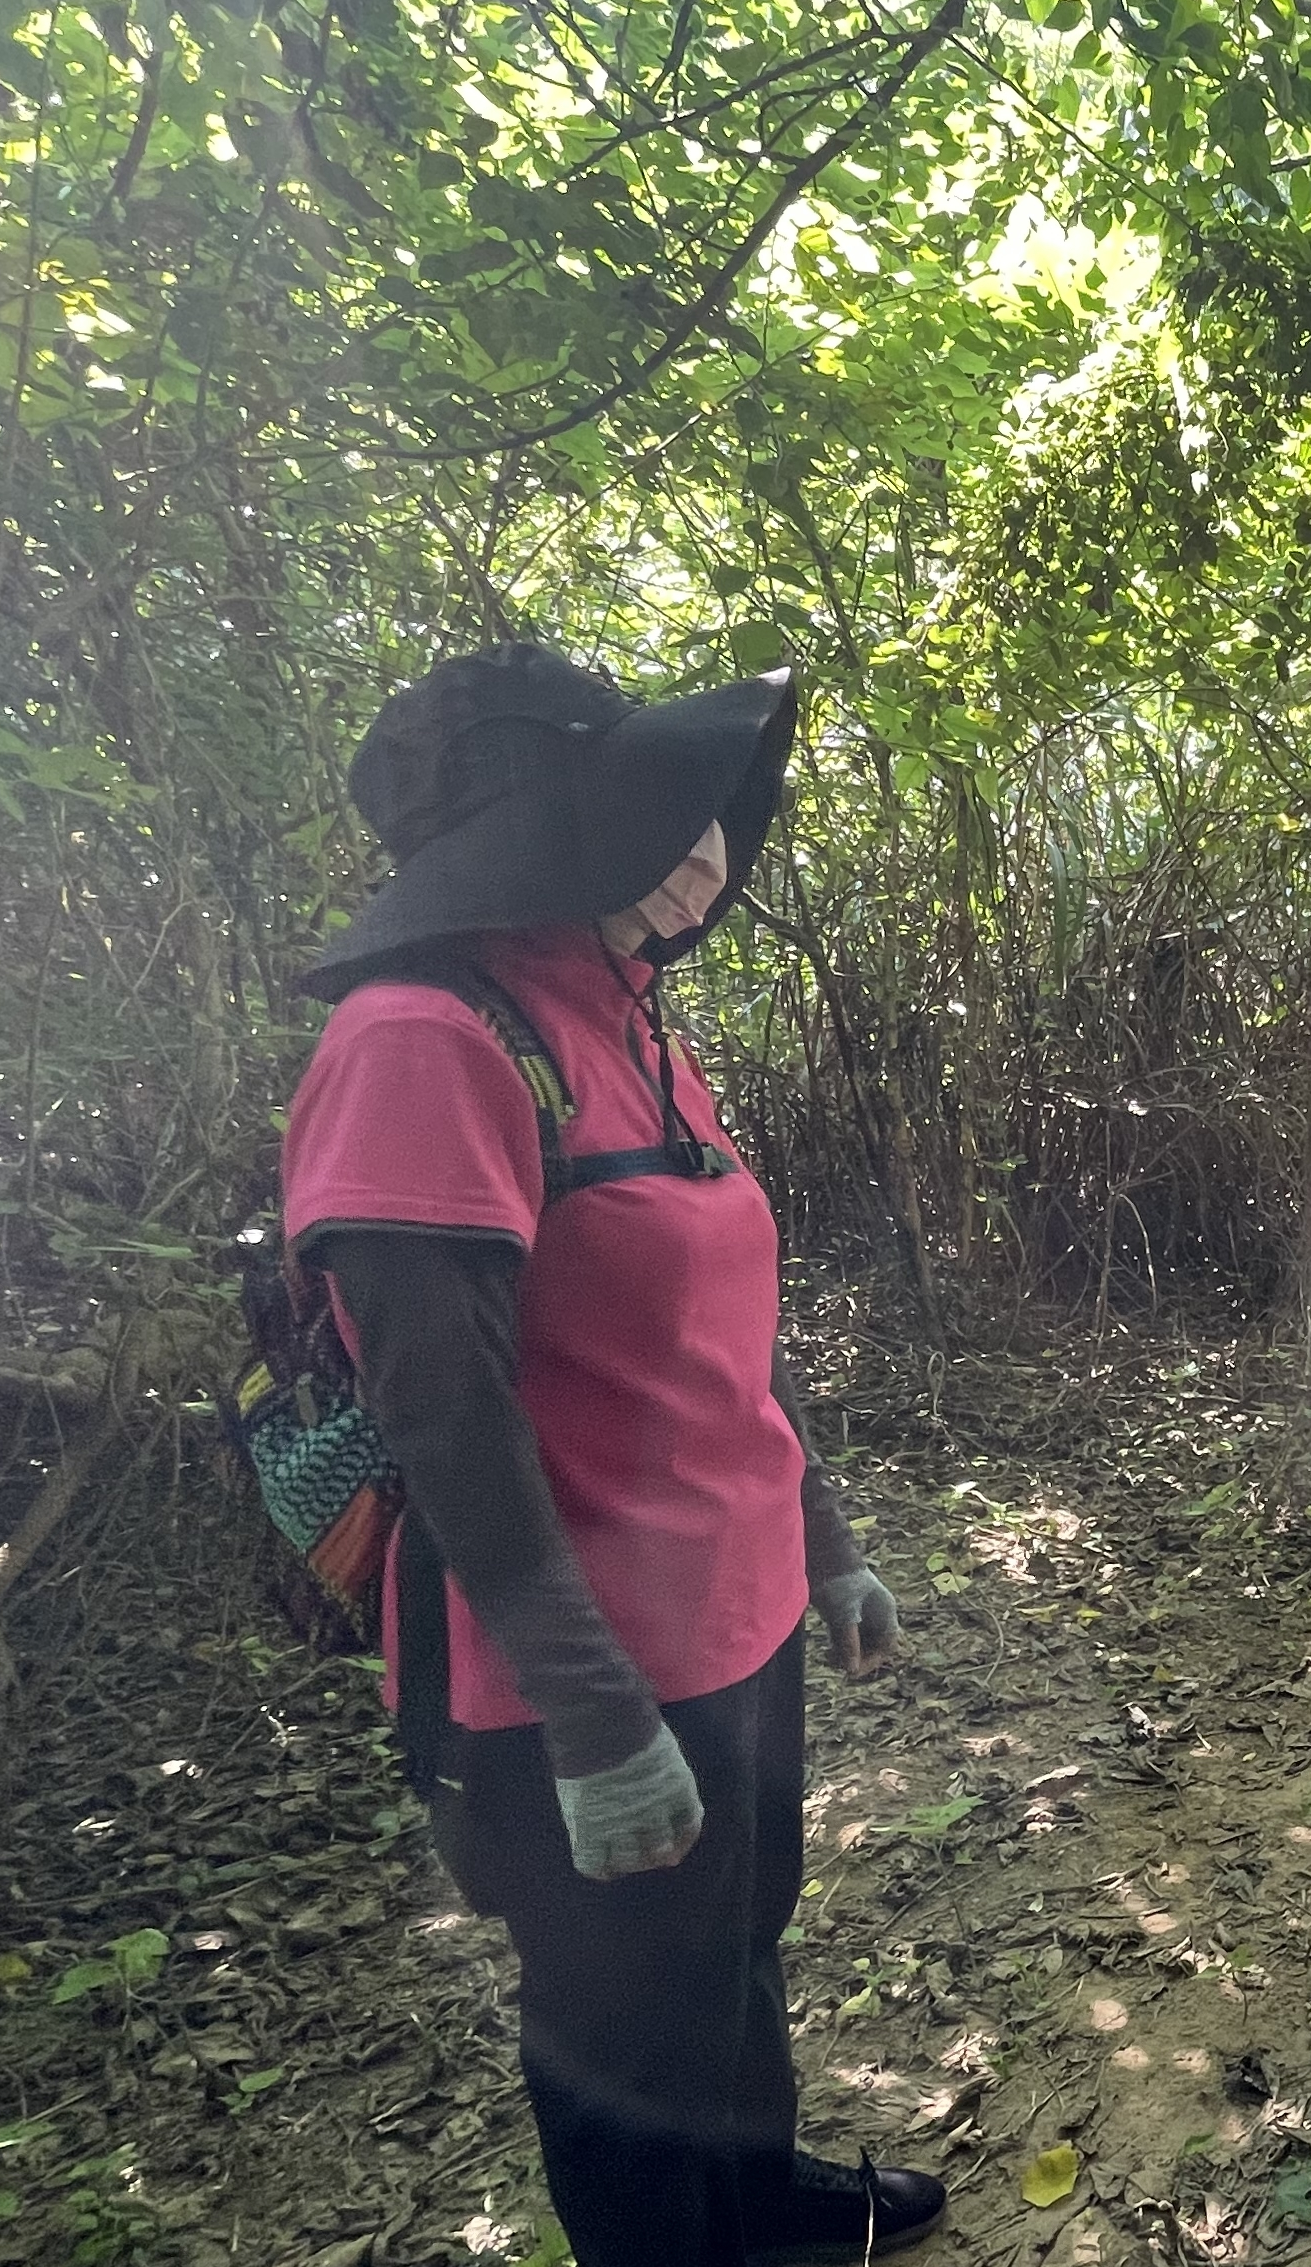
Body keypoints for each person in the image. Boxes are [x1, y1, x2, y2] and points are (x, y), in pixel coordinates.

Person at [281, 645, 946, 2267]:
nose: (711, 830)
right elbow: (446, 1414)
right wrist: (593, 1722)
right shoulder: (421, 1040)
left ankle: (761, 2203)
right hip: (576, 1679)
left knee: (731, 1954)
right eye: (663, 802)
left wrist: (827, 1539)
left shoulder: (621, 1013)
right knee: (622, 2036)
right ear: (544, 832)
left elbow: (720, 1331)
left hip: (737, 1619)